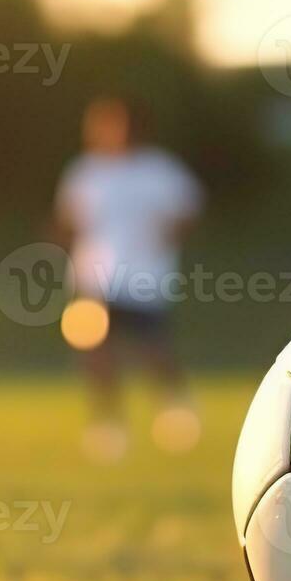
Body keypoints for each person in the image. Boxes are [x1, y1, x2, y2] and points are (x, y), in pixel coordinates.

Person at [54, 96, 203, 462]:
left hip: (144, 275)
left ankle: (175, 406)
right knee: (96, 351)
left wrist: (169, 236)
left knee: (153, 349)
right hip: (95, 277)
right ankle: (108, 423)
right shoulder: (85, 172)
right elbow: (67, 220)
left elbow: (188, 210)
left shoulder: (159, 170)